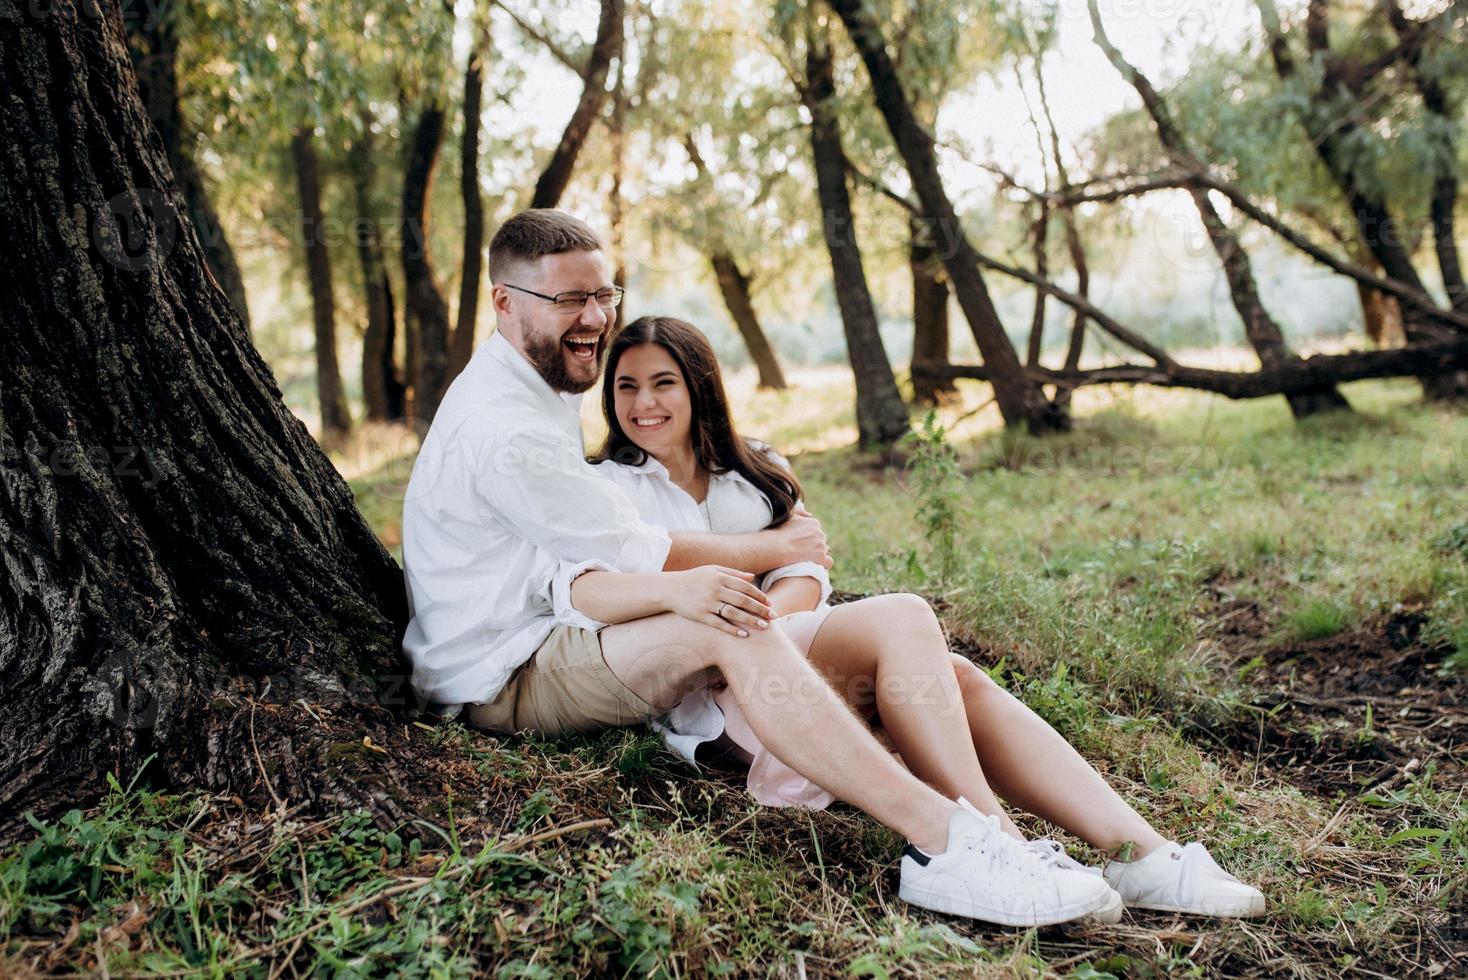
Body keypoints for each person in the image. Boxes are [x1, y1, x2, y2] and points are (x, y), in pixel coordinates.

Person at [399, 209, 1226, 929]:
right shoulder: (509, 429)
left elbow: (648, 557)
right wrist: (755, 563)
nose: (591, 317)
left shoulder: (543, 394)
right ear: (505, 302)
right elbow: (602, 568)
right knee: (729, 617)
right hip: (507, 670)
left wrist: (765, 572)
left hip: (571, 633)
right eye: (566, 300)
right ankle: (954, 847)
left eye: (600, 295)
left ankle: (1131, 854)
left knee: (926, 645)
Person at [581, 315, 1266, 920]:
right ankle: (997, 846)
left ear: (699, 385)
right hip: (718, 701)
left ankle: (1140, 854)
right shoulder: (609, 488)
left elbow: (807, 567)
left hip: (780, 654)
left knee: (955, 675)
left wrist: (768, 625)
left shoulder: (754, 467)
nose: (643, 403)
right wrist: (759, 628)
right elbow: (632, 583)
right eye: (626, 386)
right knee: (906, 618)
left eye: (662, 382)